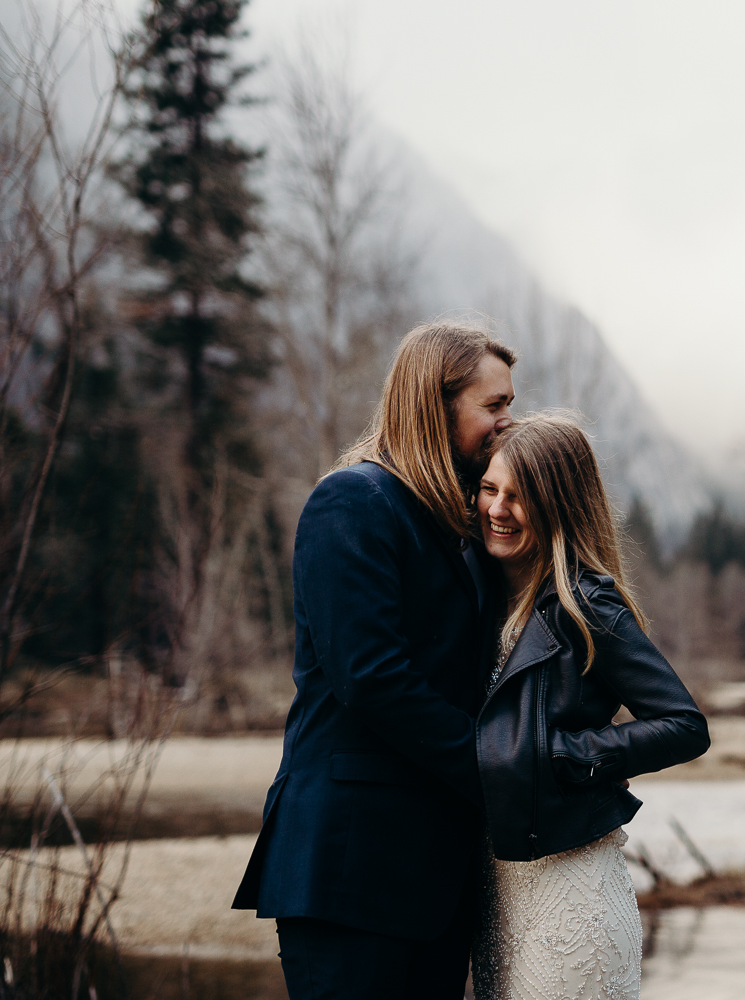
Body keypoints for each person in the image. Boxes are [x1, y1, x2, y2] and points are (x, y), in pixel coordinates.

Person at [231, 322, 516, 1000]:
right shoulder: (353, 503)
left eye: (510, 404)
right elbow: (372, 679)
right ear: (435, 404)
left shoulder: (461, 525)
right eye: (494, 405)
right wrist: (505, 771)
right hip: (350, 869)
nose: (510, 421)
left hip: (434, 879)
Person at [470, 414, 711, 1000]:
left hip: (571, 902)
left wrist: (563, 756)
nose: (498, 509)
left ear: (558, 505)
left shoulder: (585, 600)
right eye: (489, 489)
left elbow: (685, 726)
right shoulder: (482, 595)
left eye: (520, 496)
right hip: (499, 903)